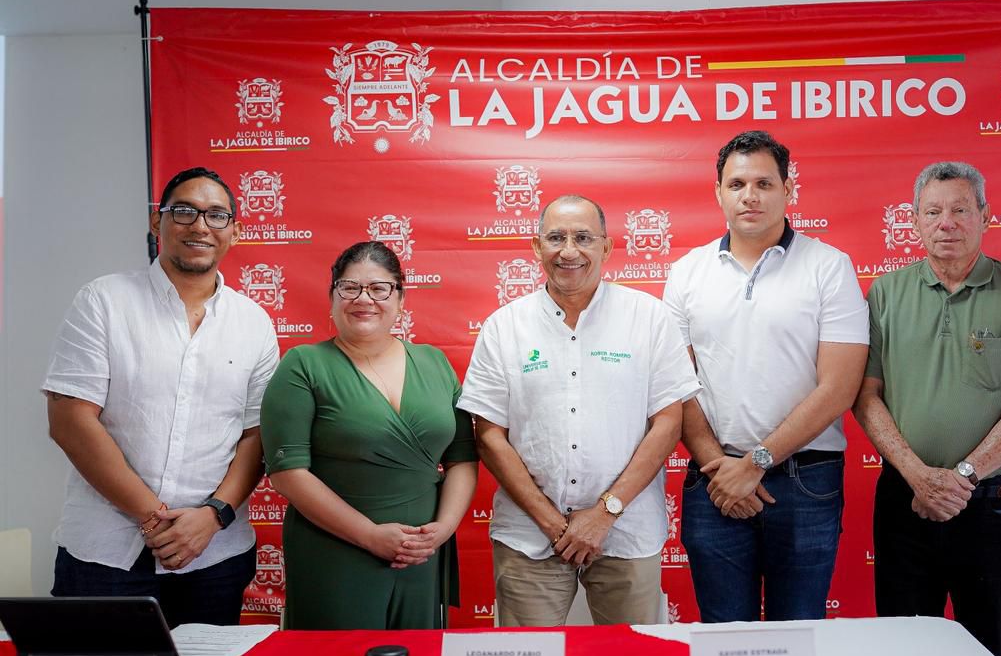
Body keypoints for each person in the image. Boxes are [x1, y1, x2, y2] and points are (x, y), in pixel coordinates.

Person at [43, 167, 278, 626]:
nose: (200, 226)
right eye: (184, 211)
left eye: (216, 215)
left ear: (235, 231)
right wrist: (156, 520)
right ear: (158, 223)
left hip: (215, 556)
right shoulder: (103, 301)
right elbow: (70, 421)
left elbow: (257, 435)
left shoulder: (254, 323)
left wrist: (213, 516)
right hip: (105, 555)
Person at [853, 160, 1001, 656]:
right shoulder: (885, 292)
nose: (946, 222)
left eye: (960, 210)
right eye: (933, 211)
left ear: (986, 216)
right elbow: (864, 394)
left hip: (992, 501)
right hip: (905, 499)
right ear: (916, 220)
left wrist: (962, 477)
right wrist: (920, 477)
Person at [459, 195, 700, 627]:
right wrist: (554, 524)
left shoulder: (649, 318)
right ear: (536, 247)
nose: (569, 250)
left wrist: (605, 512)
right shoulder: (504, 326)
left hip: (627, 532)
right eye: (556, 237)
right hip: (530, 536)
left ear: (606, 248)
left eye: (583, 238)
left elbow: (668, 422)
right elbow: (489, 435)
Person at [663, 130, 869, 622]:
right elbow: (674, 384)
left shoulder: (829, 267)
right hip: (713, 481)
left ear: (788, 191)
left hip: (806, 480)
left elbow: (839, 387)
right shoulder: (688, 271)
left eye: (763, 183)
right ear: (718, 192)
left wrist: (756, 462)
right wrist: (721, 467)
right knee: (723, 642)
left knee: (799, 639)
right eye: (736, 184)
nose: (749, 196)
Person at [262, 241, 478, 629]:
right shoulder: (303, 365)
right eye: (349, 288)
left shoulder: (434, 362)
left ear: (400, 299)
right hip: (335, 553)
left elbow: (463, 456)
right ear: (331, 297)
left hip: (421, 554)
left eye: (379, 289)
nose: (365, 299)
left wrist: (443, 529)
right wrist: (369, 536)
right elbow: (287, 473)